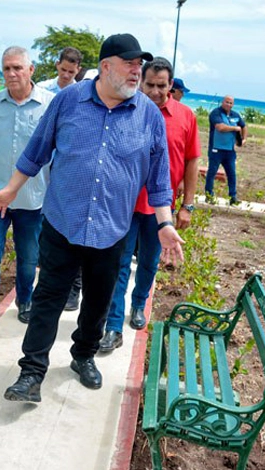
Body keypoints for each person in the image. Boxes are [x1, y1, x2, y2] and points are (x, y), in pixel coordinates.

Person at [0, 34, 185, 402]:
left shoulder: (148, 116)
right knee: (48, 298)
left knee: (97, 301)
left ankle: (83, 356)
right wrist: (11, 189)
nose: (135, 72)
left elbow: (158, 178)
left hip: (112, 229)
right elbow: (37, 150)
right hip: (62, 221)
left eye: (139, 66)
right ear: (106, 66)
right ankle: (31, 373)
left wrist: (165, 223)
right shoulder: (68, 101)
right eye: (129, 64)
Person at [99, 57, 201, 353]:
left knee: (148, 263)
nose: (155, 92)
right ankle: (113, 326)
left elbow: (193, 160)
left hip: (161, 210)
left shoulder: (185, 117)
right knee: (118, 264)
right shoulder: (126, 110)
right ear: (141, 82)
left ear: (172, 86)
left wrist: (188, 205)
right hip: (124, 205)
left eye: (162, 86)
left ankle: (139, 305)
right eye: (150, 85)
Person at [0, 46, 55, 350]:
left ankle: (25, 301)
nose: (12, 74)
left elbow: (59, 155)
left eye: (18, 68)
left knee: (29, 259)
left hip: (32, 202)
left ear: (31, 70)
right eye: (6, 69)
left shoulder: (50, 105)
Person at [36, 47, 85, 312]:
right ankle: (46, 280)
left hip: (66, 172)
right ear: (57, 65)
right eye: (63, 69)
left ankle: (73, 288)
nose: (66, 75)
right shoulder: (42, 90)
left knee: (69, 228)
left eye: (71, 71)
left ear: (78, 69)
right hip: (42, 168)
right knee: (45, 227)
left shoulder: (81, 96)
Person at [205, 96, 247, 205]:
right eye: (227, 102)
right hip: (216, 149)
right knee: (212, 173)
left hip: (230, 150)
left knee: (232, 174)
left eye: (231, 103)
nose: (228, 104)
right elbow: (220, 127)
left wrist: (244, 139)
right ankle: (209, 195)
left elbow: (243, 126)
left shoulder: (235, 115)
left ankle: (233, 197)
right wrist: (234, 128)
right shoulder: (216, 113)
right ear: (223, 102)